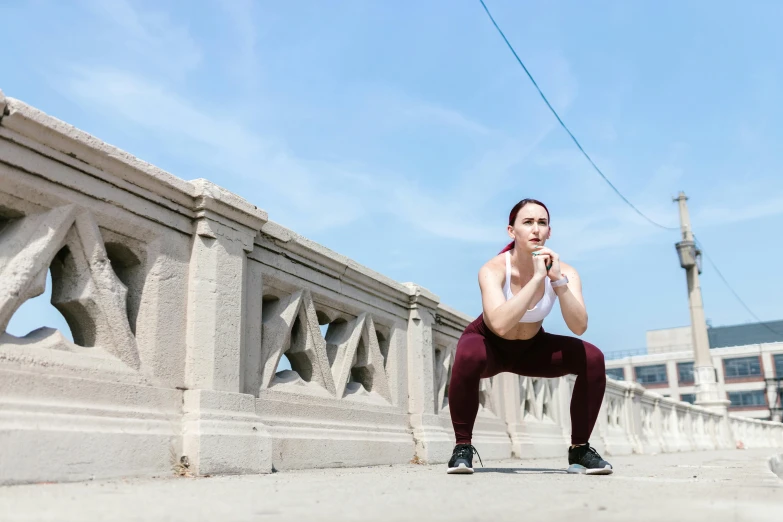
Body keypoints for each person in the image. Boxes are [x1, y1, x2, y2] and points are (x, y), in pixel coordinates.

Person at [446, 198, 612, 475]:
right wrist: (537, 278)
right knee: (468, 353)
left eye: (542, 223)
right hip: (490, 346)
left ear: (549, 232)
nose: (536, 229)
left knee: (592, 358)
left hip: (533, 349)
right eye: (528, 222)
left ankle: (580, 449)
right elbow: (498, 324)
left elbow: (579, 325)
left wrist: (556, 281)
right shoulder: (493, 269)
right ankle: (462, 448)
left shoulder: (566, 272)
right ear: (512, 231)